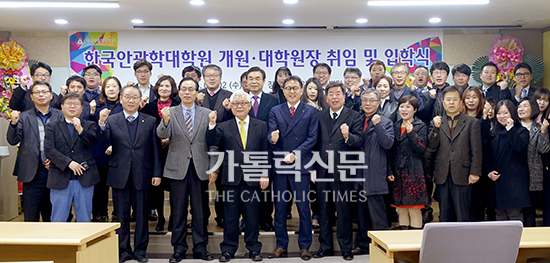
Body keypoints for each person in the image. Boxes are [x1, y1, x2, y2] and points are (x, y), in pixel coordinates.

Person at [98, 85, 162, 263]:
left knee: (142, 216)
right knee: (121, 216)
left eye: (135, 97)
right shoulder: (112, 120)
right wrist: (102, 124)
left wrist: (157, 173)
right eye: (127, 97)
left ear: (140, 100)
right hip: (120, 175)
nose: (131, 100)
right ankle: (123, 250)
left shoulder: (149, 121)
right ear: (121, 99)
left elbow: (155, 150)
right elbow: (103, 142)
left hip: (143, 174)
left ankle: (141, 251)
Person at [157, 77, 217, 262]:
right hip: (177, 168)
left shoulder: (207, 113)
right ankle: (178, 249)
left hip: (200, 168)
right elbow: (161, 135)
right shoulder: (170, 112)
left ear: (197, 92)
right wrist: (165, 121)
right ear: (179, 92)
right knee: (178, 211)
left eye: (191, 89)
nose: (187, 92)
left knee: (200, 211)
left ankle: (201, 248)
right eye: (184, 89)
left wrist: (213, 168)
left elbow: (213, 143)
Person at [206, 90, 270, 262]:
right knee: (230, 217)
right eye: (236, 104)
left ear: (250, 106)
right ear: (231, 107)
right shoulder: (223, 126)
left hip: (253, 178)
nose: (239, 106)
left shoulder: (261, 125)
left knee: (252, 217)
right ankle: (228, 249)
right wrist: (211, 125)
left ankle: (254, 248)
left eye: (243, 103)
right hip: (230, 179)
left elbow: (266, 151)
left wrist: (265, 173)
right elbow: (212, 143)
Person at [268, 75, 318, 260]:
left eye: (295, 87)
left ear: (301, 90)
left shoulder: (310, 111)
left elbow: (312, 138)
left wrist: (295, 153)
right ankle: (281, 245)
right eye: (288, 88)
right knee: (280, 208)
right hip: (281, 165)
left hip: (301, 165)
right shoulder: (275, 110)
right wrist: (271, 138)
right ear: (283, 90)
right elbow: (271, 133)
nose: (291, 91)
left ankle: (305, 246)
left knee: (303, 208)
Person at [313, 82, 363, 261]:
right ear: (326, 98)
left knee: (344, 212)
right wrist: (312, 168)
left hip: (343, 172)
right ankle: (325, 247)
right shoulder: (319, 116)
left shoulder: (354, 116)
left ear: (344, 96)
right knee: (324, 212)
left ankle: (346, 248)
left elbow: (359, 141)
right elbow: (314, 143)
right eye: (331, 94)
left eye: (338, 94)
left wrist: (347, 136)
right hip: (322, 171)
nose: (334, 97)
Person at [7, 81, 64, 222]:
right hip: (32, 172)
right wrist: (13, 123)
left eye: (44, 92)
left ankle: (54, 244)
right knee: (30, 216)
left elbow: (65, 143)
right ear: (31, 97)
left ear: (51, 95)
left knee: (53, 216)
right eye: (37, 92)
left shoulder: (60, 116)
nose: (41, 95)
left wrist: (56, 160)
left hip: (55, 171)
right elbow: (12, 140)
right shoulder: (24, 117)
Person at [428, 86, 482, 222]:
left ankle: (464, 242)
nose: (451, 103)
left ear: (460, 102)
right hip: (442, 174)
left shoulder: (472, 123)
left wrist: (475, 172)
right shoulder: (437, 122)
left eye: (454, 99)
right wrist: (436, 128)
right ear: (443, 102)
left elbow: (476, 150)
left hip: (463, 174)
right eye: (448, 100)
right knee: (444, 214)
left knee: (462, 213)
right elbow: (432, 147)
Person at [45, 92, 99, 222]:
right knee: (58, 218)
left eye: (76, 104)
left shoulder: (89, 125)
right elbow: (48, 149)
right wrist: (69, 163)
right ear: (62, 106)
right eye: (68, 103)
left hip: (85, 178)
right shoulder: (52, 126)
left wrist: (80, 130)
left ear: (82, 108)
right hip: (60, 177)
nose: (72, 106)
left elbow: (92, 142)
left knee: (84, 218)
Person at [352, 88, 394, 255]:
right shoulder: (357, 120)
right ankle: (363, 244)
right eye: (365, 101)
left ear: (378, 102)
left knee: (378, 215)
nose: (367, 104)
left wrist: (377, 126)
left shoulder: (385, 121)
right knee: (361, 214)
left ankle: (382, 247)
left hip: (375, 173)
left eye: (371, 100)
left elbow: (388, 144)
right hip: (358, 174)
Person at [141, 75, 181, 232]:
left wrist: (170, 139)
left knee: (174, 189)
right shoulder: (149, 106)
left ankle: (173, 218)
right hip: (155, 152)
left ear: (172, 89)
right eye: (161, 85)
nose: (164, 88)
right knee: (156, 188)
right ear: (157, 88)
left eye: (168, 86)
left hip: (174, 151)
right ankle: (160, 218)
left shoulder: (179, 105)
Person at [482, 100, 530, 221]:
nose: (502, 116)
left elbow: (519, 147)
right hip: (497, 184)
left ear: (512, 114)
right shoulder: (494, 133)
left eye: (505, 113)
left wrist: (510, 128)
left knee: (515, 217)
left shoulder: (521, 131)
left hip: (514, 185)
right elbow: (487, 155)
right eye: (499, 113)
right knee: (500, 217)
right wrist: (489, 171)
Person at [198, 63, 233, 228]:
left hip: (223, 147)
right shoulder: (197, 96)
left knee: (223, 185)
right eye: (208, 75)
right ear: (203, 79)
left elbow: (235, 120)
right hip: (200, 146)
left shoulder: (229, 96)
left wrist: (228, 110)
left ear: (220, 78)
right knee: (200, 185)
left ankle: (222, 216)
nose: (211, 78)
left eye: (215, 75)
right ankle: (201, 216)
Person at [246, 66, 279, 232]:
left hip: (267, 149)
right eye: (250, 78)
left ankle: (266, 219)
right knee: (248, 188)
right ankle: (247, 220)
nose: (254, 81)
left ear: (264, 81)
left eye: (257, 78)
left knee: (266, 188)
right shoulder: (241, 99)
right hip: (246, 151)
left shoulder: (273, 100)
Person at [388, 95, 428, 230]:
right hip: (397, 172)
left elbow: (421, 148)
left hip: (413, 172)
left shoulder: (420, 125)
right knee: (401, 209)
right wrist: (390, 171)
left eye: (408, 106)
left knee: (414, 209)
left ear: (415, 110)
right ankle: (403, 241)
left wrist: (411, 134)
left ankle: (415, 244)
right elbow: (391, 151)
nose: (404, 109)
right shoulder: (395, 126)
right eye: (402, 106)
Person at [90, 76, 124, 222]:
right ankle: (99, 213)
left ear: (119, 89)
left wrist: (114, 144)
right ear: (103, 89)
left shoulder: (124, 106)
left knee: (118, 185)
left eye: (114, 86)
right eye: (108, 86)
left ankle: (119, 212)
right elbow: (91, 129)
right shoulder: (95, 105)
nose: (111, 89)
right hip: (99, 152)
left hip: (119, 152)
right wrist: (92, 114)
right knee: (100, 186)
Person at [517, 98, 550, 226]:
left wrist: (543, 132)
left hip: (532, 176)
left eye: (525, 106)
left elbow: (544, 149)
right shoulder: (513, 126)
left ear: (533, 109)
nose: (521, 109)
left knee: (530, 210)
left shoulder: (539, 127)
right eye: (519, 106)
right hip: (516, 175)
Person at [534, 88, 550, 226]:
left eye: (545, 100)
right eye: (539, 99)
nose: (542, 102)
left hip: (545, 166)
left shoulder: (548, 119)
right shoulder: (528, 116)